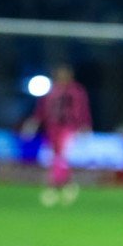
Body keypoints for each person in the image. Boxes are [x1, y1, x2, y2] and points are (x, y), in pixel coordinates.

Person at [21, 64, 91, 207]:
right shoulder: (52, 91)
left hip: (69, 127)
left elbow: (82, 109)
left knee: (61, 156)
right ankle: (68, 185)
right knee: (55, 157)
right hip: (52, 128)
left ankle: (53, 187)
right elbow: (41, 109)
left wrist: (85, 124)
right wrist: (34, 122)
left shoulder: (76, 91)